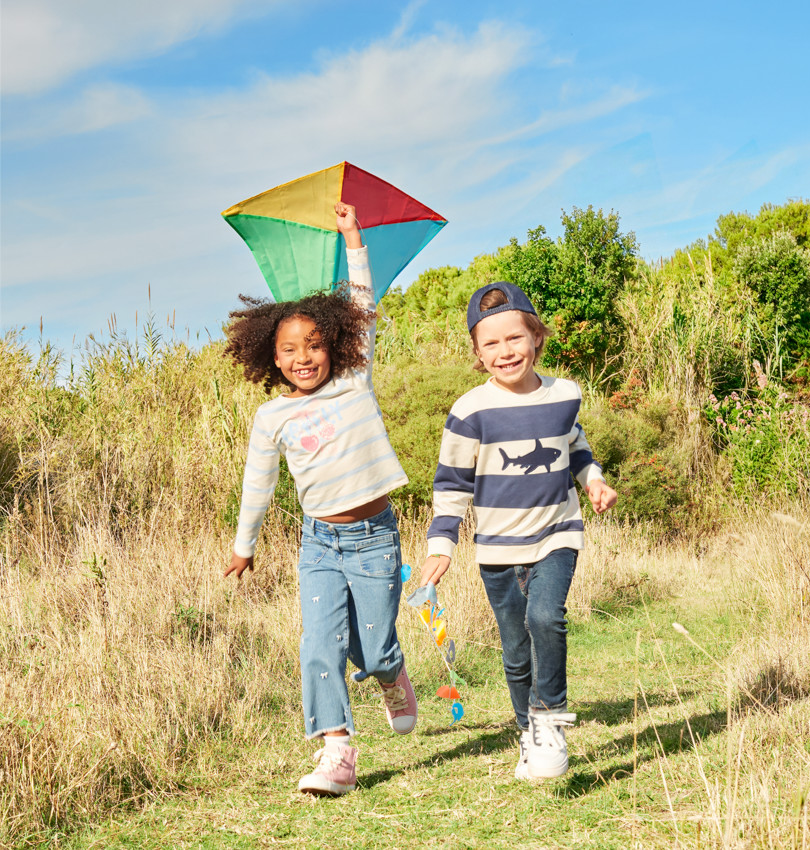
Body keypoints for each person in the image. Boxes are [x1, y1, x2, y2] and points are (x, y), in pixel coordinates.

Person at [223, 202, 417, 797]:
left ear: (334, 345)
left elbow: (361, 303)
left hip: (374, 534)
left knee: (376, 646)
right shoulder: (272, 416)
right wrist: (243, 546)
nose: (302, 357)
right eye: (288, 349)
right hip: (319, 543)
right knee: (318, 641)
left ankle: (390, 674)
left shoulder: (355, 382)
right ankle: (337, 752)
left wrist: (354, 239)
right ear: (270, 357)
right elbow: (258, 483)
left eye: (312, 344)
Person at [419, 281, 617, 780]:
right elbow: (452, 483)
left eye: (515, 338)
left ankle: (550, 723)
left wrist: (593, 481)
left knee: (546, 618)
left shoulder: (565, 393)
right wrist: (441, 544)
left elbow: (576, 448)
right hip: (497, 547)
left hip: (558, 531)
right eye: (491, 343)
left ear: (536, 338)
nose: (505, 351)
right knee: (515, 649)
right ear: (477, 351)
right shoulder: (470, 411)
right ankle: (527, 730)